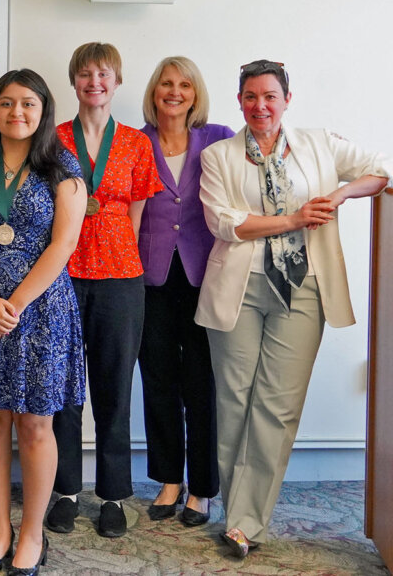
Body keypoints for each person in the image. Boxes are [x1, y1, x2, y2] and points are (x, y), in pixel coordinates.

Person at [196, 59, 392, 557]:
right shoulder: (218, 155)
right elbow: (226, 223)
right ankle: (240, 514)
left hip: (304, 288)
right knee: (235, 402)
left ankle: (243, 522)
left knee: (277, 407)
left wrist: (341, 194)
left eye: (269, 96)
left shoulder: (320, 144)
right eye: (250, 97)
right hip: (238, 287)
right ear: (238, 100)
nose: (260, 106)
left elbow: (379, 168)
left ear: (287, 99)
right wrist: (293, 219)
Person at [0, 69, 87, 575]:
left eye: (28, 104)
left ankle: (32, 533)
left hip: (41, 313)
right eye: (7, 103)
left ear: (43, 111)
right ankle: (0, 530)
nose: (17, 113)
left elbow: (64, 245)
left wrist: (13, 303)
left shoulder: (63, 166)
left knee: (35, 425)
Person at [49, 42, 163, 538]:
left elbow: (137, 213)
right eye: (85, 74)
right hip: (63, 274)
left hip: (120, 275)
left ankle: (113, 494)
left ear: (117, 82)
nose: (94, 82)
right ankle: (66, 490)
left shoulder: (137, 142)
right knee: (65, 386)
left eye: (104, 74)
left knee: (114, 388)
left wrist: (120, 254)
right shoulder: (52, 140)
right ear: (73, 81)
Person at [137, 56, 234, 527]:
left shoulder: (217, 138)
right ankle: (168, 480)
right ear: (154, 92)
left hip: (205, 277)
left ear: (196, 94)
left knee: (201, 384)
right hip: (150, 279)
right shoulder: (136, 142)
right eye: (166, 83)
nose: (174, 92)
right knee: (157, 381)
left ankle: (203, 488)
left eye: (184, 85)